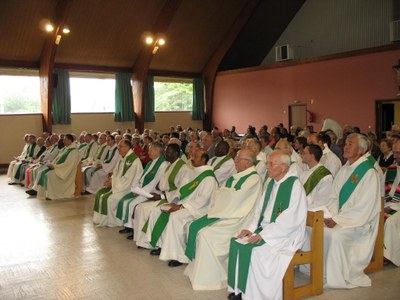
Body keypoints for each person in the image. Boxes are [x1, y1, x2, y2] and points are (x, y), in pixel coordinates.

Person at [227, 150, 307, 300]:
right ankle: (240, 289)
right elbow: (259, 210)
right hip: (265, 230)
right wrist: (250, 229)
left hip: (285, 235)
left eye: (271, 163)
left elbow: (290, 221)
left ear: (283, 167)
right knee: (236, 241)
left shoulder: (294, 186)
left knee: (256, 250)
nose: (266, 166)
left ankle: (257, 295)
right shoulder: (271, 183)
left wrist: (263, 235)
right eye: (267, 163)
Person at [184, 149, 262, 290]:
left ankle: (212, 279)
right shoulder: (237, 176)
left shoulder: (253, 179)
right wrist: (226, 194)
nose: (235, 161)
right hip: (226, 213)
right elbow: (222, 193)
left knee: (206, 234)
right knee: (195, 226)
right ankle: (198, 273)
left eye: (239, 159)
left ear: (248, 162)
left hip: (238, 219)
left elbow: (235, 199)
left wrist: (226, 193)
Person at [324, 133, 381, 288]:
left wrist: (337, 220)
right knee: (316, 230)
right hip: (340, 218)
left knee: (335, 235)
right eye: (346, 143)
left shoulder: (369, 173)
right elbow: (333, 197)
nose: (345, 146)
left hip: (359, 223)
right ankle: (321, 272)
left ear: (360, 150)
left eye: (350, 144)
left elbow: (364, 208)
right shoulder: (344, 169)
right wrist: (331, 215)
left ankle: (337, 277)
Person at [155, 148, 218, 267]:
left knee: (175, 217)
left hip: (200, 209)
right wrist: (175, 202)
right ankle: (165, 247)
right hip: (187, 204)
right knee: (164, 210)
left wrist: (182, 206)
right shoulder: (194, 171)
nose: (192, 158)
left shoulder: (208, 177)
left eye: (195, 156)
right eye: (192, 155)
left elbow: (203, 200)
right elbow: (182, 189)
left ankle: (180, 256)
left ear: (203, 159)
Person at [134, 143, 190, 249]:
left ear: (176, 153)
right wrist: (156, 193)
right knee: (140, 208)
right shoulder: (169, 165)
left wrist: (161, 197)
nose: (165, 154)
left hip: (173, 199)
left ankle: (155, 244)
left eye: (168, 152)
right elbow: (162, 183)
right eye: (165, 151)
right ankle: (143, 241)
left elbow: (179, 191)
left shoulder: (183, 168)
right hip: (163, 195)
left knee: (151, 211)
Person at [115, 142, 168, 239]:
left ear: (157, 151)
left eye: (150, 150)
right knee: (125, 201)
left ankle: (133, 229)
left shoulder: (163, 164)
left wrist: (141, 191)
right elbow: (141, 177)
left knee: (132, 204)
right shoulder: (150, 162)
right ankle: (128, 226)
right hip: (142, 190)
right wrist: (135, 188)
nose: (148, 152)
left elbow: (155, 182)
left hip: (152, 192)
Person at [93, 139, 143, 226]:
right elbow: (116, 171)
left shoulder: (134, 160)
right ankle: (99, 220)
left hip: (128, 188)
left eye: (121, 146)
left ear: (128, 147)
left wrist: (113, 182)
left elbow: (128, 180)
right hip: (119, 185)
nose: (118, 149)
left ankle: (113, 222)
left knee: (110, 199)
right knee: (99, 193)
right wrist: (111, 179)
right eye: (118, 146)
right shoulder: (122, 156)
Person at [36, 134, 80, 200]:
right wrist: (51, 164)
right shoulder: (64, 149)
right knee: (43, 172)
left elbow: (68, 165)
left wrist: (55, 166)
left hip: (65, 172)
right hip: (59, 169)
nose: (63, 141)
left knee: (49, 174)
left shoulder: (74, 151)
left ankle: (51, 195)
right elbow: (57, 159)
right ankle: (45, 194)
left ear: (70, 140)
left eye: (65, 139)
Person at [383, 139, 400, 267]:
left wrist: (393, 206)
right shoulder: (392, 168)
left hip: (398, 207)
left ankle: (388, 255)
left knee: (390, 221)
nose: (396, 156)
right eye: (394, 153)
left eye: (398, 153)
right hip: (389, 204)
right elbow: (384, 190)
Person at [300, 144, 333, 209]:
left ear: (312, 156)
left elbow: (322, 201)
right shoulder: (304, 173)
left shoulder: (325, 176)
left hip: (313, 212)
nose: (301, 155)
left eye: (304, 153)